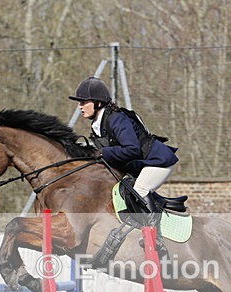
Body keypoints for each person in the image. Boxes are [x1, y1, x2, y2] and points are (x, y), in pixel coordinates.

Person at [69, 77, 178, 221]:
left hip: (158, 162)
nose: (80, 106)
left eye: (83, 102)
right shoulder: (98, 124)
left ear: (98, 103)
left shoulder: (116, 119)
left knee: (140, 190)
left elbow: (132, 150)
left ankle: (154, 235)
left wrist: (103, 152)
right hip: (143, 164)